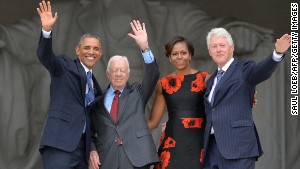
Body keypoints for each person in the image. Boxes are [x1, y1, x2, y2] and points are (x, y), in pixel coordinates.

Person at [203, 28, 291, 169]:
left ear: (232, 48)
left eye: (222, 45)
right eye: (214, 46)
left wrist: (277, 53)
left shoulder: (243, 69)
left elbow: (261, 71)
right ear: (209, 51)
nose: (218, 49)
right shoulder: (210, 80)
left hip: (238, 146)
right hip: (212, 148)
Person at [36, 1, 103, 168]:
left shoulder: (95, 85)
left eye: (95, 49)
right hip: (60, 144)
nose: (91, 52)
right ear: (77, 50)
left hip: (82, 150)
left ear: (100, 53)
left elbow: (90, 121)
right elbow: (45, 56)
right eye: (87, 48)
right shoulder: (65, 66)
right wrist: (46, 31)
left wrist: (92, 148)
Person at [88, 20, 159, 169]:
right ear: (108, 73)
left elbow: (153, 74)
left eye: (122, 70)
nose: (119, 74)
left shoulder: (137, 93)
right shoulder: (97, 102)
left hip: (136, 159)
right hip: (108, 159)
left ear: (128, 74)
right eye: (115, 70)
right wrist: (92, 150)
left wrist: (144, 46)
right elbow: (89, 132)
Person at [147, 36, 209, 169]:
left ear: (190, 55)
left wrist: (250, 92)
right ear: (169, 57)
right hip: (172, 142)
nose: (179, 57)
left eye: (183, 53)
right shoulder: (162, 84)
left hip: (198, 142)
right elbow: (153, 122)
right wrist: (126, 126)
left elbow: (225, 96)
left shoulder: (205, 78)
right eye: (174, 53)